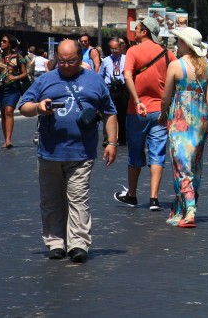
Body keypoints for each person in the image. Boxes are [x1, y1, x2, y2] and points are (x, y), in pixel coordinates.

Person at [18, 39, 118, 263]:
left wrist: (112, 142)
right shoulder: (46, 80)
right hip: (50, 151)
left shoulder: (94, 80)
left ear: (80, 58)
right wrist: (38, 108)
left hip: (81, 152)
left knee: (78, 198)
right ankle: (55, 242)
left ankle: (78, 244)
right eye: (61, 61)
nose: (65, 65)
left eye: (70, 61)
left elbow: (109, 112)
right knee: (51, 199)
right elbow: (24, 106)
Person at [158, 27, 208, 228]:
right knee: (194, 165)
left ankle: (190, 209)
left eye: (178, 41)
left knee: (181, 165)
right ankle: (181, 208)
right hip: (201, 120)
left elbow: (166, 97)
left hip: (180, 119)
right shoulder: (206, 66)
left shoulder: (175, 65)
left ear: (185, 44)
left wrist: (162, 114)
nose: (177, 44)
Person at [115, 17, 173, 211]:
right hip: (160, 111)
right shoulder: (167, 54)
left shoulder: (133, 51)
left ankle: (132, 195)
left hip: (137, 111)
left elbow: (127, 75)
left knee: (135, 153)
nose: (134, 31)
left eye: (137, 28)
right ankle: (154, 199)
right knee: (157, 154)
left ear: (145, 31)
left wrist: (137, 100)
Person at [0, 35, 28, 149]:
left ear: (10, 44)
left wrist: (15, 77)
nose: (1, 43)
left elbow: (24, 73)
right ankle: (5, 139)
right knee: (3, 113)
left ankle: (8, 140)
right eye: (1, 41)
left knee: (9, 111)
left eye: (4, 41)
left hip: (14, 88)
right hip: (2, 87)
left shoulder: (19, 57)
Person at [99, 37, 128, 146]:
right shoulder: (106, 60)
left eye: (116, 48)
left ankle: (122, 138)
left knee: (122, 114)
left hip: (122, 88)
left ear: (120, 48)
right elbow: (101, 75)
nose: (114, 51)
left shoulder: (126, 59)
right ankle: (107, 138)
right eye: (112, 49)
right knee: (108, 113)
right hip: (110, 88)